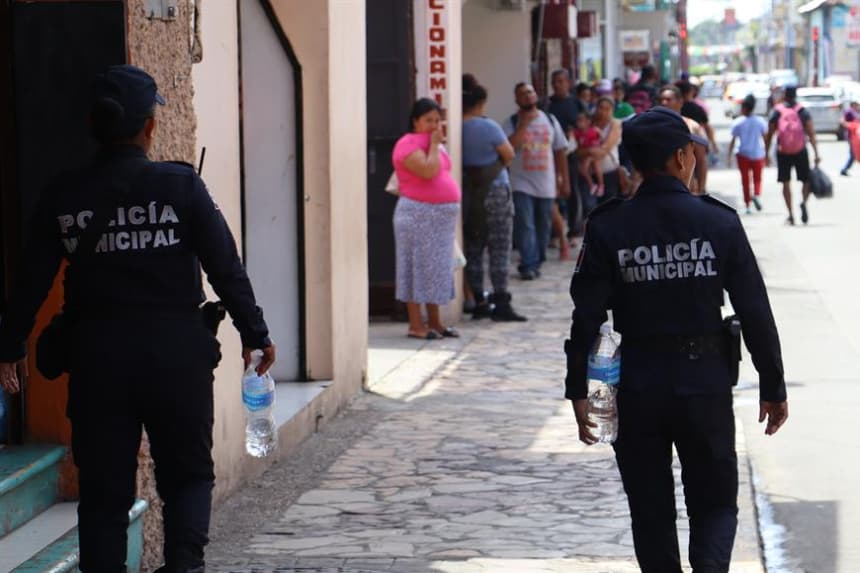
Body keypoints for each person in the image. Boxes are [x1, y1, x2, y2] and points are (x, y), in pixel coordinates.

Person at [0, 65, 276, 573]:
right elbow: (226, 268)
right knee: (188, 477)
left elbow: (30, 282)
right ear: (149, 127)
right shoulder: (181, 187)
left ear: (93, 124)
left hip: (98, 360)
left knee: (104, 494)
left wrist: (10, 346)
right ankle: (183, 566)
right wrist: (255, 335)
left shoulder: (63, 195)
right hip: (176, 355)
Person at [565, 106, 789, 573]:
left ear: (632, 165)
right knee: (715, 504)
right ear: (683, 157)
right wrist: (773, 383)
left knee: (650, 511)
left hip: (638, 386)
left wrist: (578, 389)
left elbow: (586, 316)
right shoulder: (718, 223)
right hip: (703, 383)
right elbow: (753, 309)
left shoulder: (608, 226)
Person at [392, 98, 461, 339]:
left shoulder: (436, 144)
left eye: (437, 120)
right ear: (416, 122)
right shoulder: (407, 144)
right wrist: (433, 145)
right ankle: (416, 325)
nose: (434, 125)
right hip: (417, 215)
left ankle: (435, 322)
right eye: (428, 120)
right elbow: (428, 170)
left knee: (436, 270)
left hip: (439, 219)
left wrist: (436, 144)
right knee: (416, 269)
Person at [461, 78, 527, 322]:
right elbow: (508, 155)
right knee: (500, 247)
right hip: (496, 192)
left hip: (470, 194)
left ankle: (478, 300)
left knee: (474, 246)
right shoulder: (488, 127)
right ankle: (501, 301)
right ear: (480, 103)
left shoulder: (456, 128)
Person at [503, 82, 569, 280]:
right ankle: (528, 263)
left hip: (546, 183)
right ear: (517, 100)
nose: (528, 96)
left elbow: (560, 151)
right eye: (522, 94)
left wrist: (564, 180)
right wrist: (523, 125)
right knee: (526, 224)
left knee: (543, 226)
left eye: (530, 92)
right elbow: (508, 149)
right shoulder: (511, 122)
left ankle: (536, 260)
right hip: (521, 183)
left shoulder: (550, 119)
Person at [764, 85, 820, 225]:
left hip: (783, 151)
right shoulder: (802, 111)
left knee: (785, 182)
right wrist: (816, 153)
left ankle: (790, 215)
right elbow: (811, 132)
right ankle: (804, 203)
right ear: (795, 95)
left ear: (784, 95)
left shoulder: (777, 111)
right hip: (801, 150)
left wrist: (766, 153)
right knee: (806, 180)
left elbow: (769, 133)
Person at [545, 69, 584, 242]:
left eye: (561, 81)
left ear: (568, 83)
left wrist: (575, 131)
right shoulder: (546, 104)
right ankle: (554, 231)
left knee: (572, 190)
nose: (557, 85)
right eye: (554, 81)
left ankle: (574, 231)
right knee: (552, 191)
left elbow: (584, 125)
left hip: (571, 153)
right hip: (549, 153)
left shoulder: (576, 103)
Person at [577, 97, 623, 215]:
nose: (603, 111)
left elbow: (605, 149)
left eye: (607, 109)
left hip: (609, 172)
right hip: (589, 174)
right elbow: (577, 150)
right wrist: (591, 151)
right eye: (600, 108)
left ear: (612, 110)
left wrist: (588, 151)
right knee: (590, 207)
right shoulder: (588, 123)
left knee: (608, 209)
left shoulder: (615, 124)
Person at [659, 85, 708, 194]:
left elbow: (701, 161)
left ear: (680, 102)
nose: (664, 103)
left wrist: (702, 189)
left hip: (687, 191)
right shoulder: (654, 126)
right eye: (661, 100)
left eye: (668, 99)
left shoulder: (692, 126)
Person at [728, 94, 768, 214]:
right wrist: (768, 153)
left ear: (744, 108)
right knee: (757, 179)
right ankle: (756, 194)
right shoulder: (760, 121)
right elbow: (765, 138)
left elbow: (733, 140)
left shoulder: (738, 122)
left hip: (742, 154)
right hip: (757, 154)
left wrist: (729, 156)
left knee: (745, 180)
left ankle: (747, 205)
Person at [572, 113, 604, 196]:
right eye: (578, 120)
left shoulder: (593, 131)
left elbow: (597, 145)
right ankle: (592, 184)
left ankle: (601, 185)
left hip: (592, 155)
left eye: (581, 121)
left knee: (595, 166)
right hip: (584, 155)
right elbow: (575, 145)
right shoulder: (577, 133)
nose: (578, 123)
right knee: (583, 168)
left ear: (588, 122)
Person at [840, 100, 860, 176]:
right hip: (852, 136)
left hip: (857, 137)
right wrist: (851, 125)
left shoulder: (857, 112)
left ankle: (845, 169)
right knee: (853, 154)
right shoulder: (849, 112)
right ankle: (844, 169)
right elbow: (842, 121)